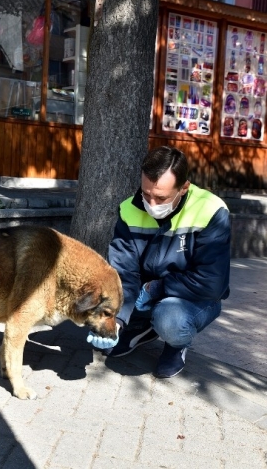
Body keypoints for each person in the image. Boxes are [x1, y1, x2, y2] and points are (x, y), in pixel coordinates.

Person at [87, 146, 231, 378]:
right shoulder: (128, 210)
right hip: (144, 294)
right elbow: (123, 272)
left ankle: (175, 346)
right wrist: (116, 319)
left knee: (170, 319)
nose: (152, 205)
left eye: (161, 198)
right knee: (97, 303)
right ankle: (140, 327)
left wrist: (157, 288)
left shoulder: (210, 210)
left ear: (183, 188)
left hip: (193, 298)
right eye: (146, 194)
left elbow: (212, 283)